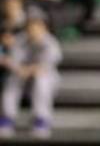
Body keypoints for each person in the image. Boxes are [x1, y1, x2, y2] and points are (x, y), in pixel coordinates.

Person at [0, 8, 61, 139]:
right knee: (12, 79)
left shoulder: (51, 42)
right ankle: (7, 118)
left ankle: (41, 120)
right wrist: (19, 69)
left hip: (46, 80)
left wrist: (28, 70)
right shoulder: (20, 39)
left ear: (44, 26)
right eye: (31, 25)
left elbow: (46, 66)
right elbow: (13, 60)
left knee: (41, 79)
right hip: (22, 78)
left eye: (37, 25)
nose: (33, 28)